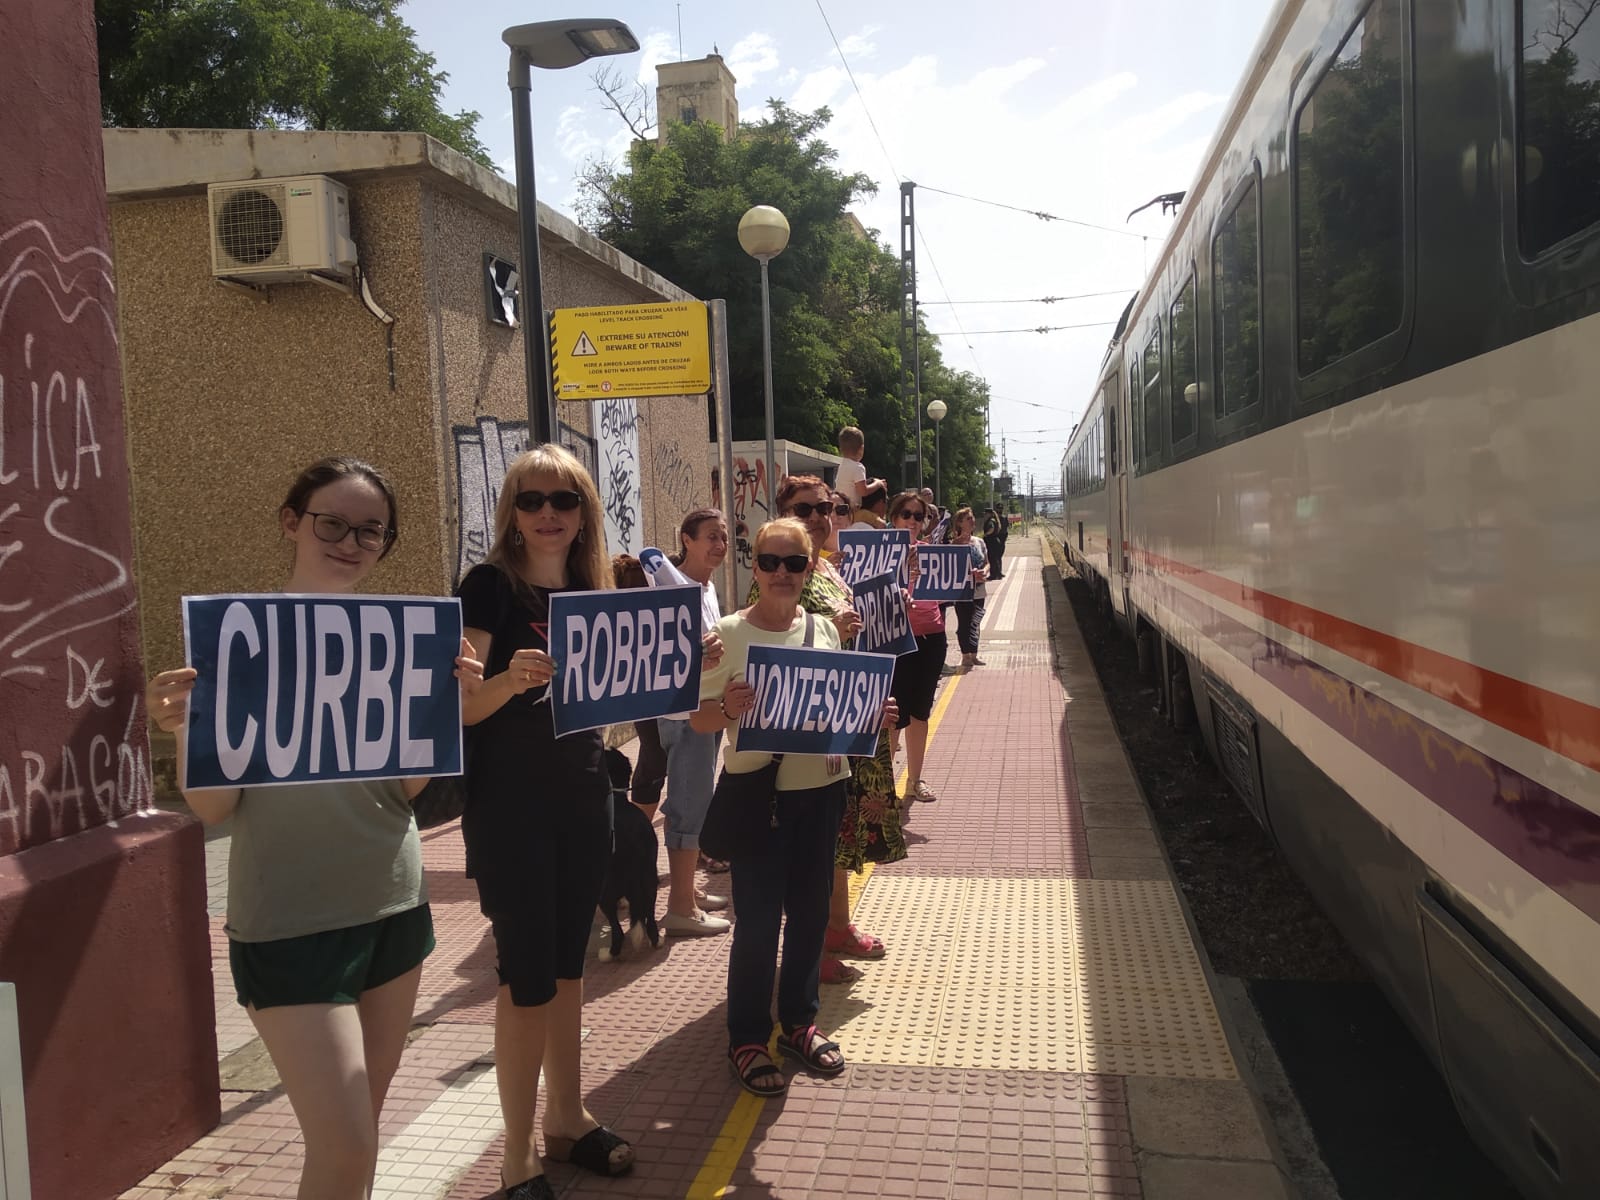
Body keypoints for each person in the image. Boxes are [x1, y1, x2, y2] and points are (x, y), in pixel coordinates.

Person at [145, 456, 483, 1200]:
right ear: (292, 522)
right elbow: (212, 811)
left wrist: (441, 712)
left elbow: (403, 793)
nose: (350, 541)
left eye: (371, 531)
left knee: (355, 1140)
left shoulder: (402, 645)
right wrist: (183, 730)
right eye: (332, 522)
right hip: (289, 926)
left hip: (395, 911)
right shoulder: (240, 645)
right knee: (346, 1142)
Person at [456, 444, 633, 1197]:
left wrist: (688, 661)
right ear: (512, 511)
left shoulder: (595, 590)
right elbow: (460, 708)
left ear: (585, 511)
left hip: (583, 799)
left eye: (564, 501)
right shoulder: (489, 587)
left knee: (568, 970)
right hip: (511, 811)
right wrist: (507, 681)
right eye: (532, 500)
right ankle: (518, 1153)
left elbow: (627, 699)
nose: (548, 514)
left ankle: (568, 1116)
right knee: (525, 981)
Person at [693, 516, 899, 1097]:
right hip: (761, 800)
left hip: (821, 794)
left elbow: (834, 716)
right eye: (770, 562)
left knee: (810, 916)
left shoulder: (825, 631)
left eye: (794, 563)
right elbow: (699, 718)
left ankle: (800, 1022)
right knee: (758, 923)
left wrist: (868, 719)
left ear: (810, 568)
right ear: (754, 566)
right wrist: (729, 710)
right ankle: (748, 1036)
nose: (782, 573)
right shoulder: (729, 635)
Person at [755, 476, 907, 985]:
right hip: (810, 730)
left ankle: (838, 927)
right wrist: (832, 634)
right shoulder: (780, 571)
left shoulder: (828, 567)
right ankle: (812, 946)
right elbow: (773, 649)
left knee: (839, 838)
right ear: (782, 513)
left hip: (847, 722)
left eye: (827, 507)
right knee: (815, 848)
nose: (819, 517)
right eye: (805, 509)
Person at [653, 507, 734, 936]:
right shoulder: (670, 588)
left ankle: (687, 891)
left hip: (706, 711)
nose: (719, 546)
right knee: (686, 805)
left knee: (697, 802)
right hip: (684, 717)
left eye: (723, 538)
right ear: (686, 540)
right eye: (710, 537)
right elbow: (661, 659)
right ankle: (680, 907)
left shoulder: (706, 588)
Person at [889, 489, 948, 803]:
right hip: (896, 640)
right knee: (894, 714)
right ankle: (886, 782)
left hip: (932, 638)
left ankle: (915, 779)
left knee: (921, 713)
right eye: (906, 514)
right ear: (894, 517)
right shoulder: (880, 556)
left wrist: (970, 578)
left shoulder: (933, 554)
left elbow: (950, 591)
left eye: (918, 516)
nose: (912, 520)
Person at [612, 554, 667, 821]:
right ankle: (638, 825)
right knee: (655, 758)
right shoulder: (622, 616)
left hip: (657, 698)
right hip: (647, 698)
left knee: (655, 757)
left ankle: (638, 825)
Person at [943, 507, 990, 671]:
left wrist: (984, 572)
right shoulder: (954, 544)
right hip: (962, 592)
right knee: (964, 622)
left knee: (975, 622)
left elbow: (986, 562)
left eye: (972, 518)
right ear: (960, 523)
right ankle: (965, 655)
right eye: (968, 519)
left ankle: (974, 653)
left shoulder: (980, 542)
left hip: (978, 590)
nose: (972, 521)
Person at [835, 425, 886, 505]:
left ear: (841, 449)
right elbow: (863, 491)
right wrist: (878, 484)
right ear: (861, 449)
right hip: (852, 510)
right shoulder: (858, 467)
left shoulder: (842, 466)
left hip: (840, 507)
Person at [983, 508, 1006, 581]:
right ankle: (998, 574)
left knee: (992, 558)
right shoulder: (994, 520)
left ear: (990, 514)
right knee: (996, 558)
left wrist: (986, 534)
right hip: (995, 541)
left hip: (991, 541)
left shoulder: (991, 521)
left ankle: (993, 575)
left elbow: (991, 528)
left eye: (986, 513)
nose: (985, 515)